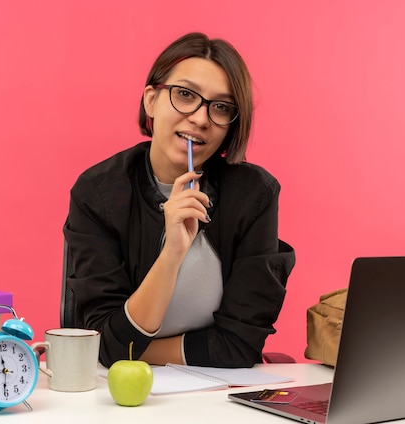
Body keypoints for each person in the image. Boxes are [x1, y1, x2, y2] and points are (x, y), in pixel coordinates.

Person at [63, 32, 295, 368]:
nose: (201, 118)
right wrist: (172, 254)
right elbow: (106, 341)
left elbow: (240, 346)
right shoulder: (98, 193)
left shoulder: (254, 196)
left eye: (221, 107)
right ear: (151, 101)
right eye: (185, 95)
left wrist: (137, 353)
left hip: (215, 395)